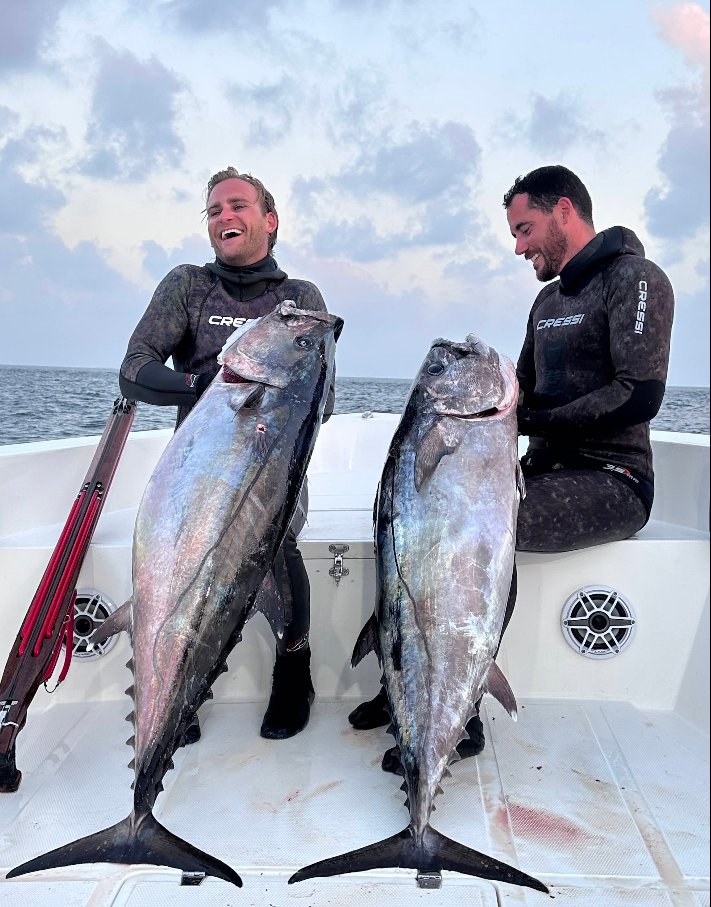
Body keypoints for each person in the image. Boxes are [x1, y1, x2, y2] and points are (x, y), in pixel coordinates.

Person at [349, 163, 674, 773]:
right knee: (410, 521)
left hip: (615, 480)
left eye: (525, 229)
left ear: (565, 212)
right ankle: (408, 680)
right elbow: (521, 394)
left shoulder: (636, 279)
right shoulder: (547, 299)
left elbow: (639, 395)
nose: (520, 246)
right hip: (541, 473)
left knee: (478, 532)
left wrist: (534, 423)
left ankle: (457, 705)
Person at [119, 166, 334, 743]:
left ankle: (295, 668)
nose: (224, 217)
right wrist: (202, 387)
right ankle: (180, 683)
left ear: (270, 220)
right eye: (214, 210)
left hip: (270, 469)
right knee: (178, 559)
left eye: (238, 205)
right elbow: (135, 371)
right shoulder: (187, 285)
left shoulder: (299, 300)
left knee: (274, 543)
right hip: (193, 471)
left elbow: (322, 397)